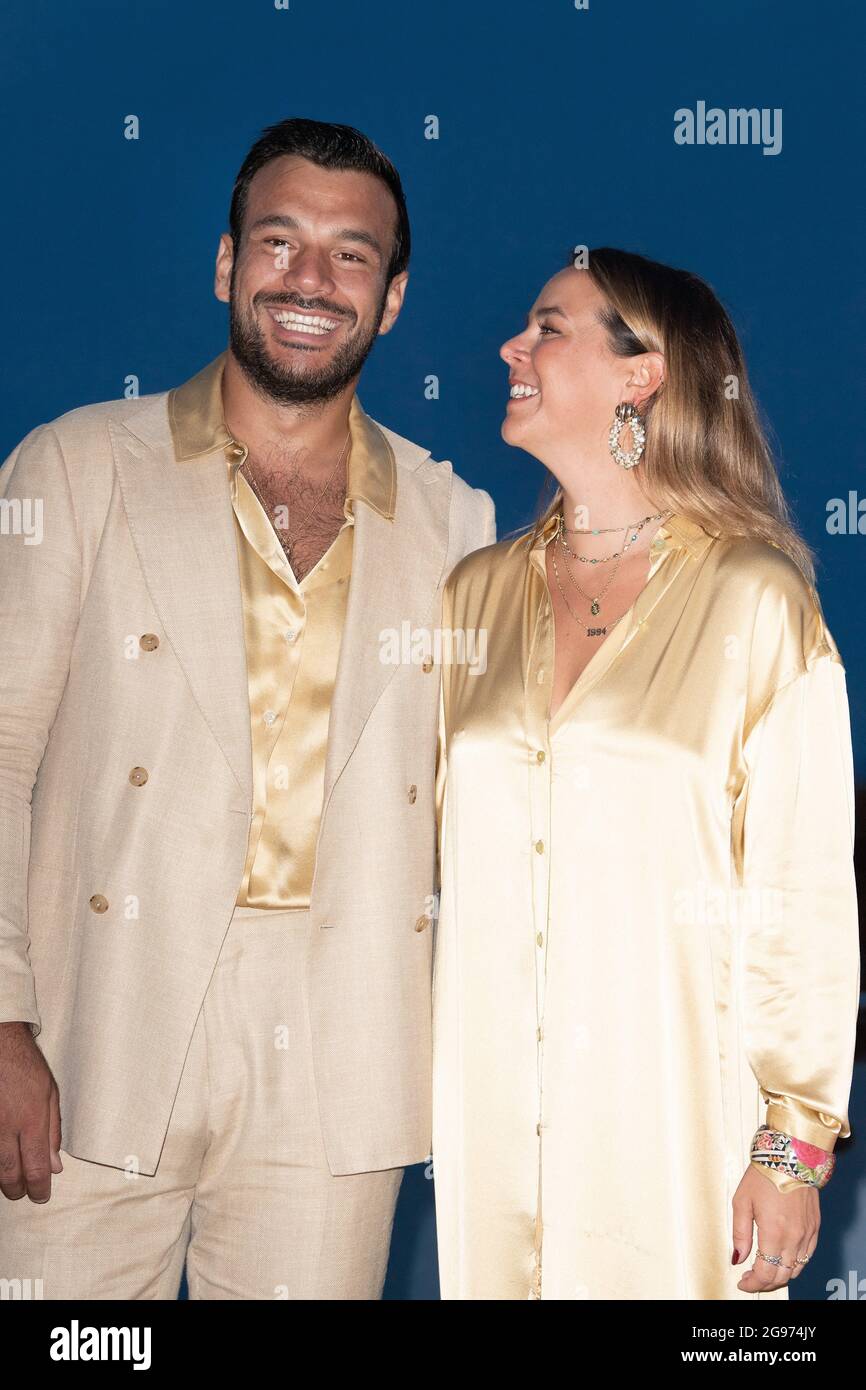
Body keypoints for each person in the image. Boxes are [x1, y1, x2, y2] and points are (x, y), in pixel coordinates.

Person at [0, 117, 495, 1299]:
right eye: (279, 242)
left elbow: (491, 814)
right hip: (95, 1021)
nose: (309, 280)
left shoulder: (454, 522)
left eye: (349, 255)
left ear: (392, 299)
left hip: (343, 1045)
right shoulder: (77, 467)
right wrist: (2, 1021)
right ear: (227, 265)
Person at [431, 247, 859, 1300]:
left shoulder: (755, 602)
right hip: (488, 1130)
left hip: (678, 1134)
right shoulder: (469, 597)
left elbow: (800, 897)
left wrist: (790, 1148)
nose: (509, 346)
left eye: (547, 326)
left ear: (642, 373)